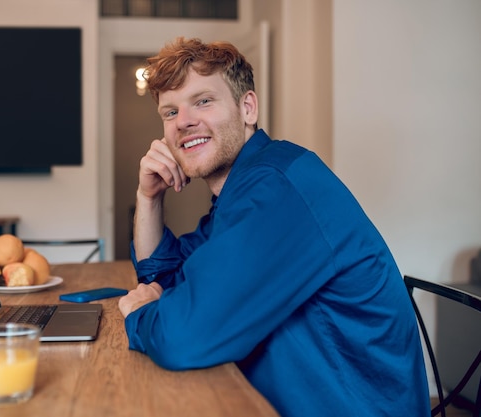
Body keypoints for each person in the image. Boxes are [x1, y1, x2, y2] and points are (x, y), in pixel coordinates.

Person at [118, 37, 430, 416]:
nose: (183, 121)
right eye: (170, 112)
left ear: (247, 108)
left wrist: (139, 314)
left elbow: (182, 336)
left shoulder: (275, 186)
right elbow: (163, 279)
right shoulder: (240, 193)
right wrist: (149, 197)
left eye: (203, 101)